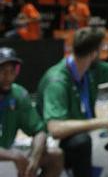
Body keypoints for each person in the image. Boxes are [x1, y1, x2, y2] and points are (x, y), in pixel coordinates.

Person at [37, 27, 108, 177]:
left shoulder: (90, 69)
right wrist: (105, 122)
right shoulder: (57, 81)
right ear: (94, 53)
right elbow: (55, 129)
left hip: (83, 130)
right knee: (81, 142)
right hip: (53, 142)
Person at [0, 47, 64, 177]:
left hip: (7, 155)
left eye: (12, 71)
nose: (8, 76)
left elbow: (39, 131)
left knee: (55, 156)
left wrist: (34, 158)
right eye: (2, 71)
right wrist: (14, 156)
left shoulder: (18, 94)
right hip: (7, 155)